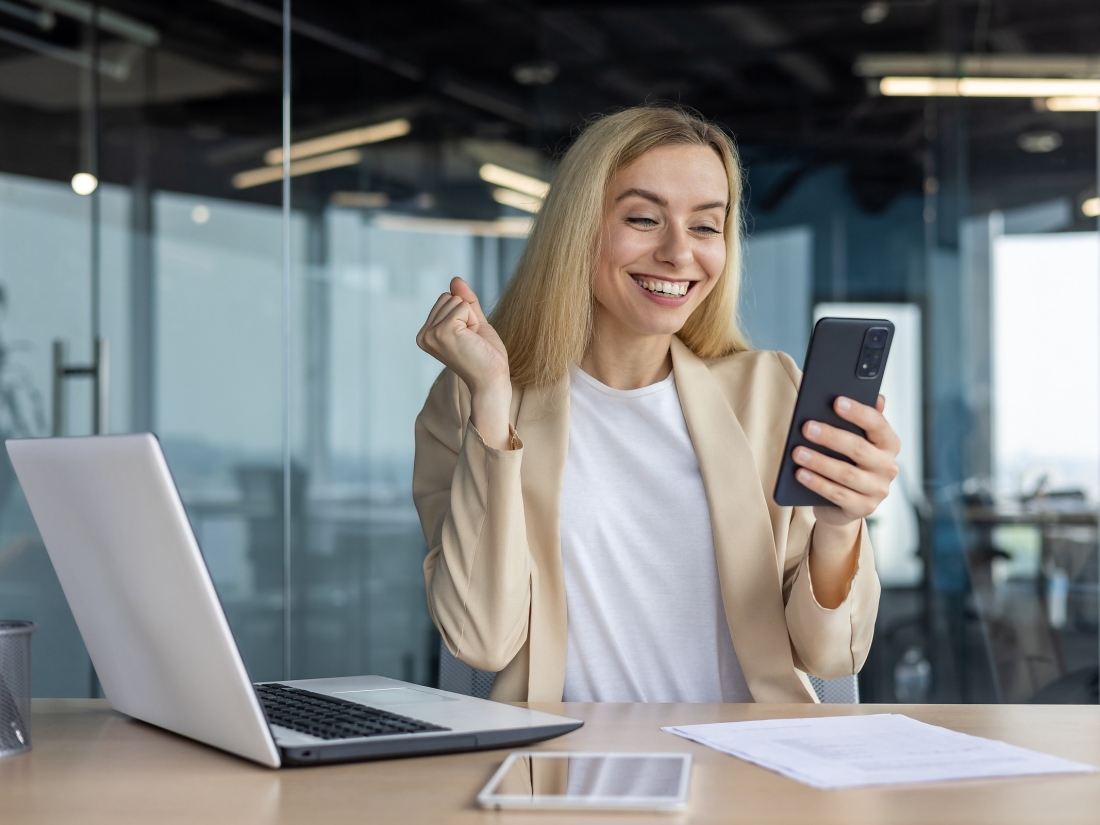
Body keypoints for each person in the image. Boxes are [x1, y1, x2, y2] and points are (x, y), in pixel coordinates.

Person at [413, 105, 898, 704]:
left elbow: (832, 654)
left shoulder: (769, 392)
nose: (678, 253)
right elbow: (481, 641)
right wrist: (491, 400)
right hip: (564, 773)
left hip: (747, 771)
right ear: (578, 229)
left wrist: (840, 524)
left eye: (704, 226)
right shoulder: (469, 401)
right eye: (643, 218)